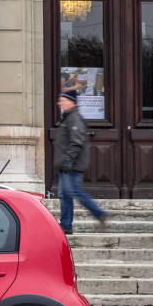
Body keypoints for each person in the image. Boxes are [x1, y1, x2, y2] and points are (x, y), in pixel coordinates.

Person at [53, 90, 108, 234]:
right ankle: (66, 225)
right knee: (65, 195)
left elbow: (76, 141)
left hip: (72, 165)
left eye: (62, 100)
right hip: (66, 165)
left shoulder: (74, 118)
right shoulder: (68, 118)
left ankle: (99, 213)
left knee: (73, 192)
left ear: (71, 102)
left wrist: (68, 159)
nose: (60, 103)